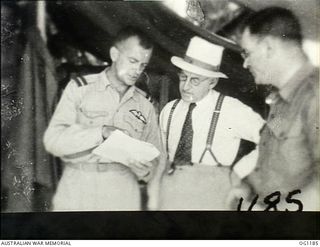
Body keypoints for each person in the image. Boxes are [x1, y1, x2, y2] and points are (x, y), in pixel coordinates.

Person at [43, 27, 162, 211]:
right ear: (114, 54)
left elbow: (155, 158)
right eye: (133, 61)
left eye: (143, 65)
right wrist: (101, 132)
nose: (137, 70)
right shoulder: (79, 89)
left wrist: (145, 170)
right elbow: (52, 141)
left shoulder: (145, 105)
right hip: (78, 188)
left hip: (122, 191)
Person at [156, 36, 265, 210]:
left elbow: (272, 140)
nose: (186, 87)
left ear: (212, 82)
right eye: (184, 78)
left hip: (213, 193)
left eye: (195, 80)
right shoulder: (169, 110)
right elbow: (162, 157)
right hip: (172, 192)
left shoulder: (232, 109)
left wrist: (239, 171)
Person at [231, 7, 319, 211]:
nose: (245, 64)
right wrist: (246, 187)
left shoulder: (315, 97)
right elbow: (275, 162)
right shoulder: (280, 99)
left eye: (248, 53)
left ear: (268, 48)